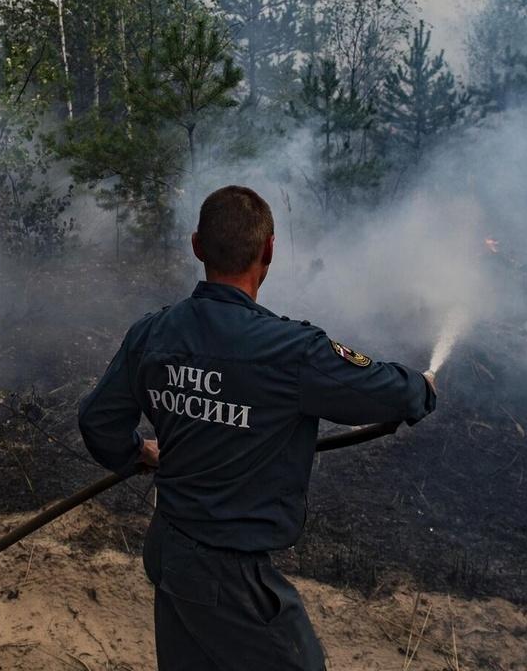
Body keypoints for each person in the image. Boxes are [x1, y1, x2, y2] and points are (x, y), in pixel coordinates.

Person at [78, 185, 437, 671]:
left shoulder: (152, 333)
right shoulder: (290, 351)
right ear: (269, 249)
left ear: (197, 247)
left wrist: (139, 450)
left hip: (170, 553)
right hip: (229, 578)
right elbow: (388, 392)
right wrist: (422, 386)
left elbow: (98, 421)